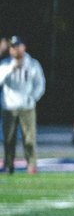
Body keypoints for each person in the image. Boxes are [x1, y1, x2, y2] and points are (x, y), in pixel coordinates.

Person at [0, 36, 46, 175]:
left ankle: (31, 165)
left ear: (23, 47)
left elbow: (40, 83)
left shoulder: (32, 64)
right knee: (8, 138)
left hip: (27, 107)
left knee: (29, 138)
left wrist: (32, 98)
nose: (15, 50)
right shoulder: (5, 64)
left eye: (18, 46)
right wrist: (11, 69)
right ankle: (8, 164)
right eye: (13, 47)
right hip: (9, 106)